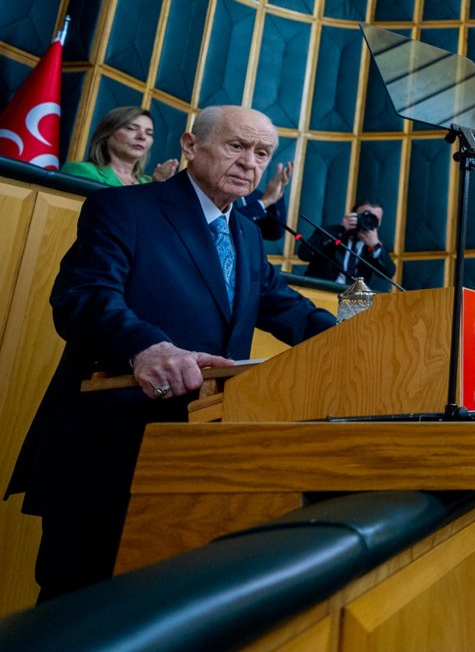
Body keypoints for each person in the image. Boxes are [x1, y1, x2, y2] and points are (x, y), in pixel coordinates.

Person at [7, 106, 336, 600]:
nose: (251, 162)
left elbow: (291, 312)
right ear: (190, 145)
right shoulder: (124, 208)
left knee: (164, 608)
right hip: (107, 453)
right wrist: (145, 347)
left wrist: (366, 338)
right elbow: (84, 297)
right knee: (80, 609)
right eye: (237, 146)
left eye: (262, 153)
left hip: (196, 458)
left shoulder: (245, 233)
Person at [59, 106, 179, 186]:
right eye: (131, 128)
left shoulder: (149, 182)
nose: (142, 136)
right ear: (107, 134)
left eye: (149, 133)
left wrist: (157, 188)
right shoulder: (81, 171)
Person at [296, 201, 395, 289]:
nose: (369, 221)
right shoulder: (330, 232)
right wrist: (339, 231)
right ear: (354, 215)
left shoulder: (375, 245)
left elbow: (389, 273)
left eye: (374, 219)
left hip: (353, 300)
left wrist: (375, 246)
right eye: (366, 216)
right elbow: (304, 254)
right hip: (323, 291)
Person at [235, 161, 292, 242]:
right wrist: (264, 202)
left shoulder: (255, 195)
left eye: (260, 154)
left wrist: (277, 192)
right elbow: (229, 224)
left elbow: (276, 233)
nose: (250, 163)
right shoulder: (214, 193)